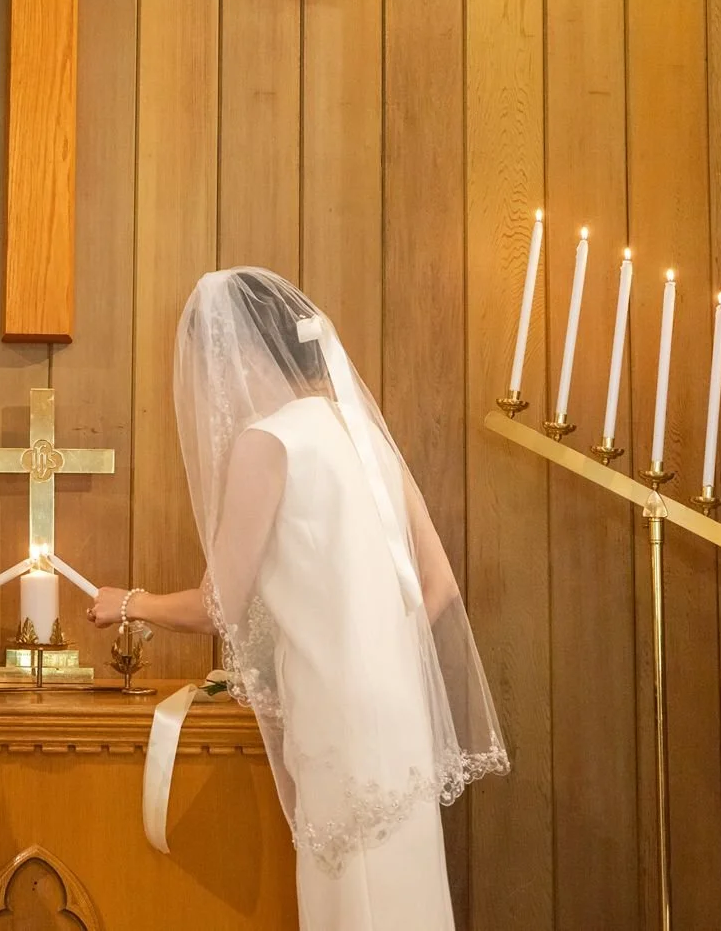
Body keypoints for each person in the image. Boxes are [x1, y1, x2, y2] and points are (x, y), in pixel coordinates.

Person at [87, 268, 508, 931]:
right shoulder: (360, 433)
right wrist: (377, 649)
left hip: (337, 716)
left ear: (244, 354)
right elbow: (440, 586)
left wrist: (128, 602)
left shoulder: (269, 442)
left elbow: (216, 607)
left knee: (352, 906)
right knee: (402, 893)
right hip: (396, 707)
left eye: (213, 361)